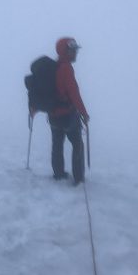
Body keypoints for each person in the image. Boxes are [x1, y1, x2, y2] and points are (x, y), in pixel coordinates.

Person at [49, 36, 89, 185]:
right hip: (67, 115)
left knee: (57, 144)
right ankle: (78, 179)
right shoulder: (66, 68)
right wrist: (84, 113)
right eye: (73, 50)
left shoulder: (53, 66)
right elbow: (74, 93)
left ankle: (58, 174)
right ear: (66, 51)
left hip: (53, 114)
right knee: (77, 144)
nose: (76, 53)